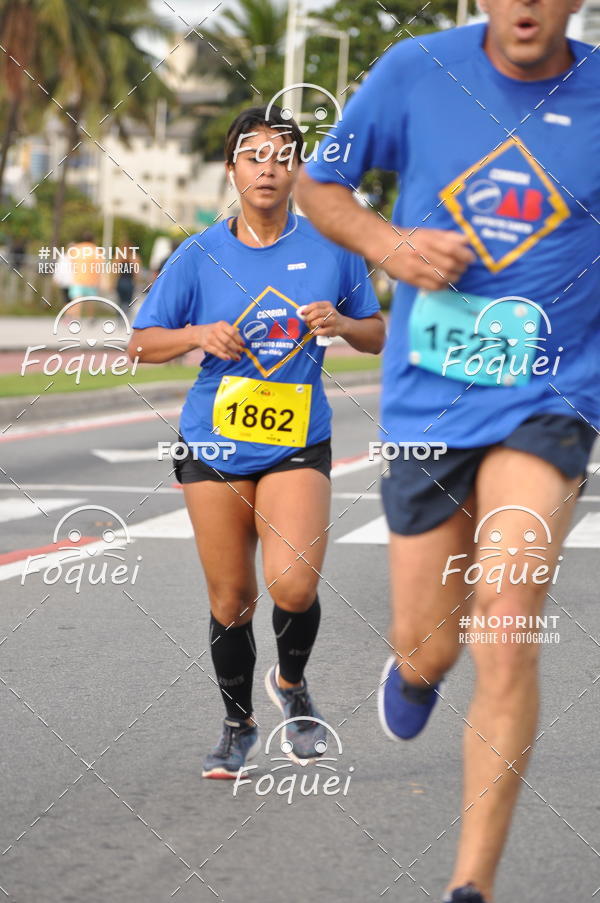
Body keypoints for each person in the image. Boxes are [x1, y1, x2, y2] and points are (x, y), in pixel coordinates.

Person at [296, 1, 596, 901]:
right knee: (429, 642)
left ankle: (471, 886)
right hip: (429, 396)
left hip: (552, 393)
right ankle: (420, 667)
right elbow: (319, 188)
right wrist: (393, 245)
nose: (528, 5)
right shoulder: (415, 71)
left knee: (508, 623)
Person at [128, 105, 385, 780]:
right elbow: (140, 342)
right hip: (213, 442)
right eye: (253, 155)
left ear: (297, 169)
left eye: (281, 156)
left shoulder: (333, 250)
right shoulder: (200, 253)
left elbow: (378, 330)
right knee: (232, 599)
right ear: (231, 169)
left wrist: (343, 323)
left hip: (297, 437)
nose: (267, 168)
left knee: (293, 584)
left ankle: (292, 684)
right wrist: (196, 335)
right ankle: (237, 724)